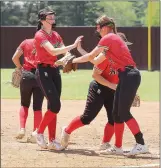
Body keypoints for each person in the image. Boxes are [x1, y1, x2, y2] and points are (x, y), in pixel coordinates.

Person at [65, 15, 148, 156]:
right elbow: (95, 60)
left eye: (98, 28)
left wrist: (72, 60)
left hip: (128, 75)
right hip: (125, 77)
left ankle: (141, 143)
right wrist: (74, 59)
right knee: (116, 113)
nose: (98, 31)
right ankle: (117, 147)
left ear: (105, 27)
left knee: (123, 112)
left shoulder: (109, 37)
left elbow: (91, 56)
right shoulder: (110, 45)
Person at [33, 8, 83, 150]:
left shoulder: (55, 35)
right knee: (55, 105)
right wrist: (73, 45)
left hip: (54, 70)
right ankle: (39, 132)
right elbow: (53, 51)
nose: (53, 20)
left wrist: (69, 58)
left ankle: (52, 140)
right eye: (50, 18)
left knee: (52, 107)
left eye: (53, 18)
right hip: (43, 71)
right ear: (42, 20)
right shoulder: (39, 35)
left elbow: (64, 52)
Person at [12, 38, 44, 142]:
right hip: (40, 75)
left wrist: (21, 69)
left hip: (27, 75)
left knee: (24, 104)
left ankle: (22, 129)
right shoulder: (46, 44)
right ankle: (35, 133)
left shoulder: (25, 42)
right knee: (37, 107)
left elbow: (14, 58)